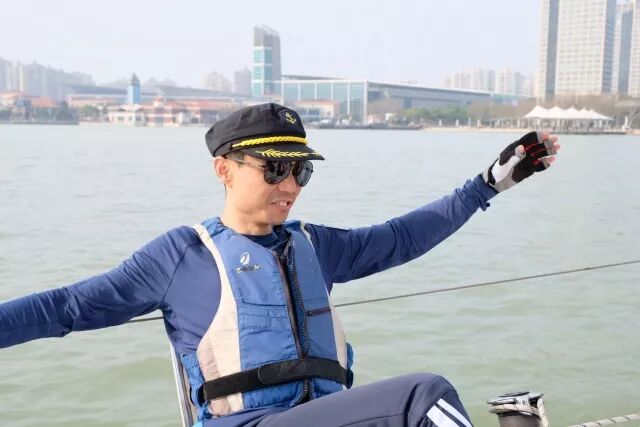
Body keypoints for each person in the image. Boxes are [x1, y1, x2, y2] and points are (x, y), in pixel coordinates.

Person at [0, 103, 560, 427]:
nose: (290, 185)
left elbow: (401, 239)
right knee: (424, 397)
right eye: (274, 169)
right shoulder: (182, 256)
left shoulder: (314, 245)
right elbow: (66, 307)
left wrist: (487, 185)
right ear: (224, 169)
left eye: (301, 171)